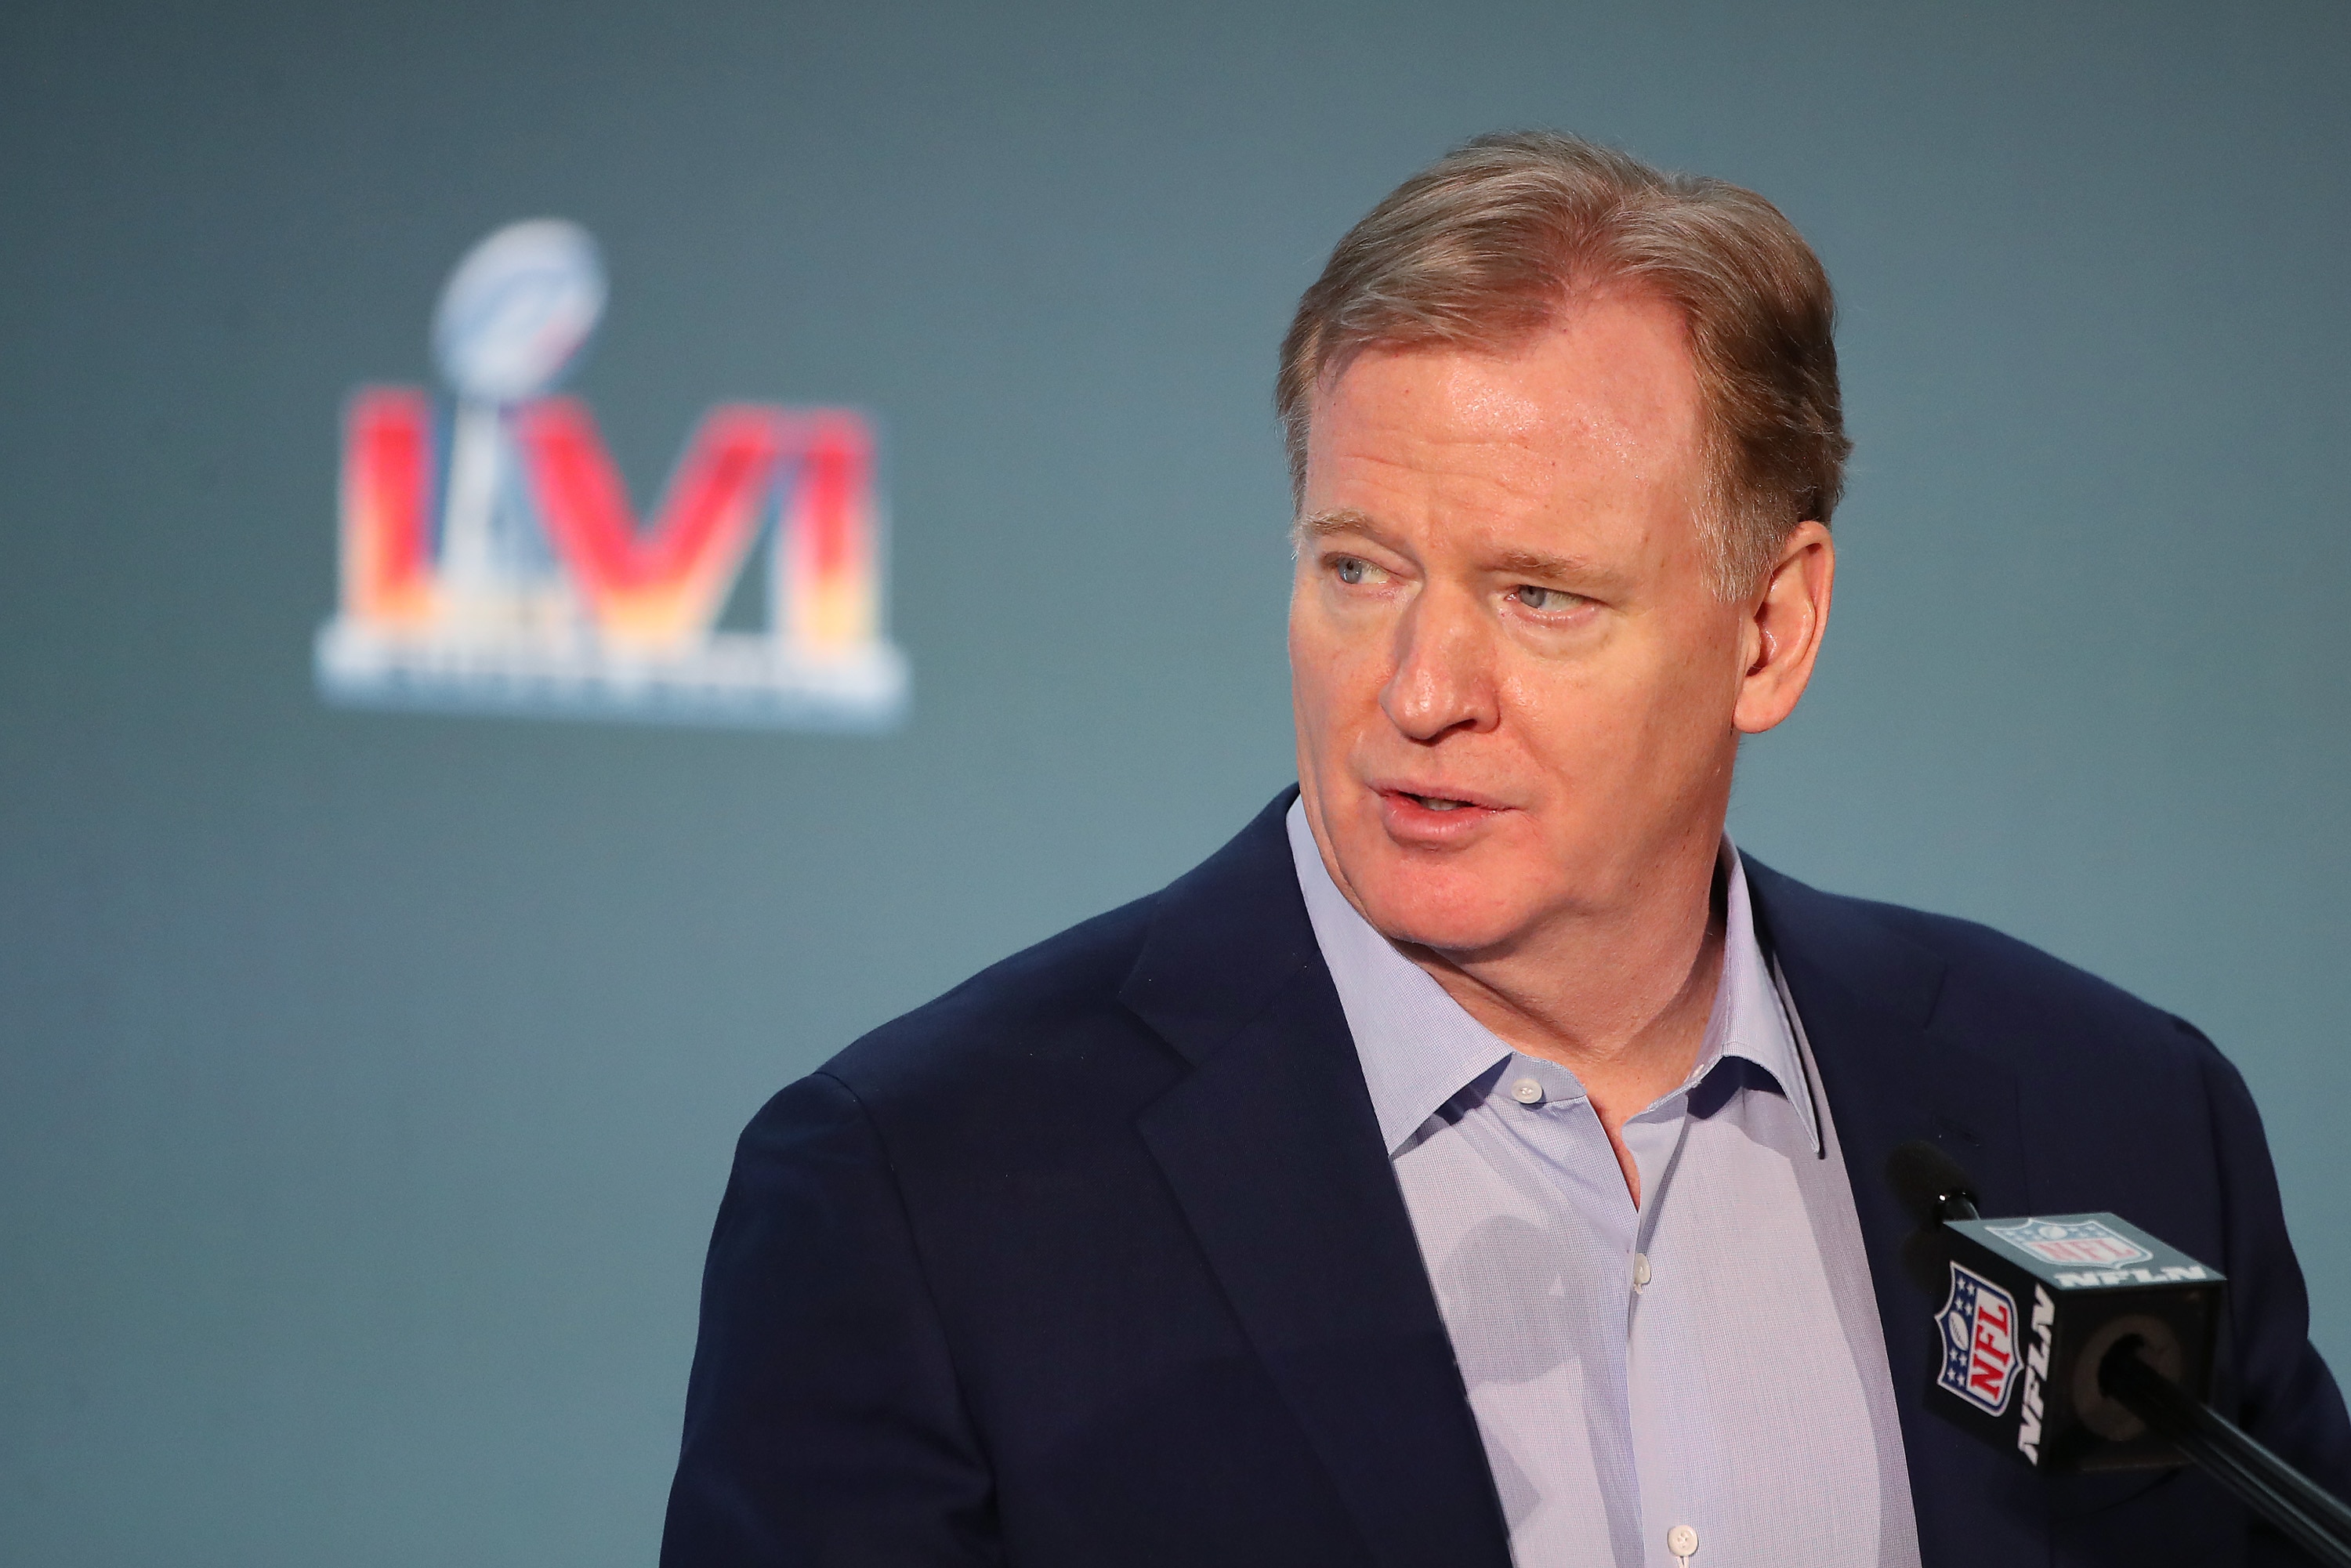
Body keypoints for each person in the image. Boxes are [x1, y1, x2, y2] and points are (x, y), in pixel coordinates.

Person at [659, 132, 2350, 1567]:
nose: (1421, 689)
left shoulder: (2118, 1117)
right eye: (1360, 569)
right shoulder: (926, 1197)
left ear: (1771, 627)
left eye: (1541, 594)